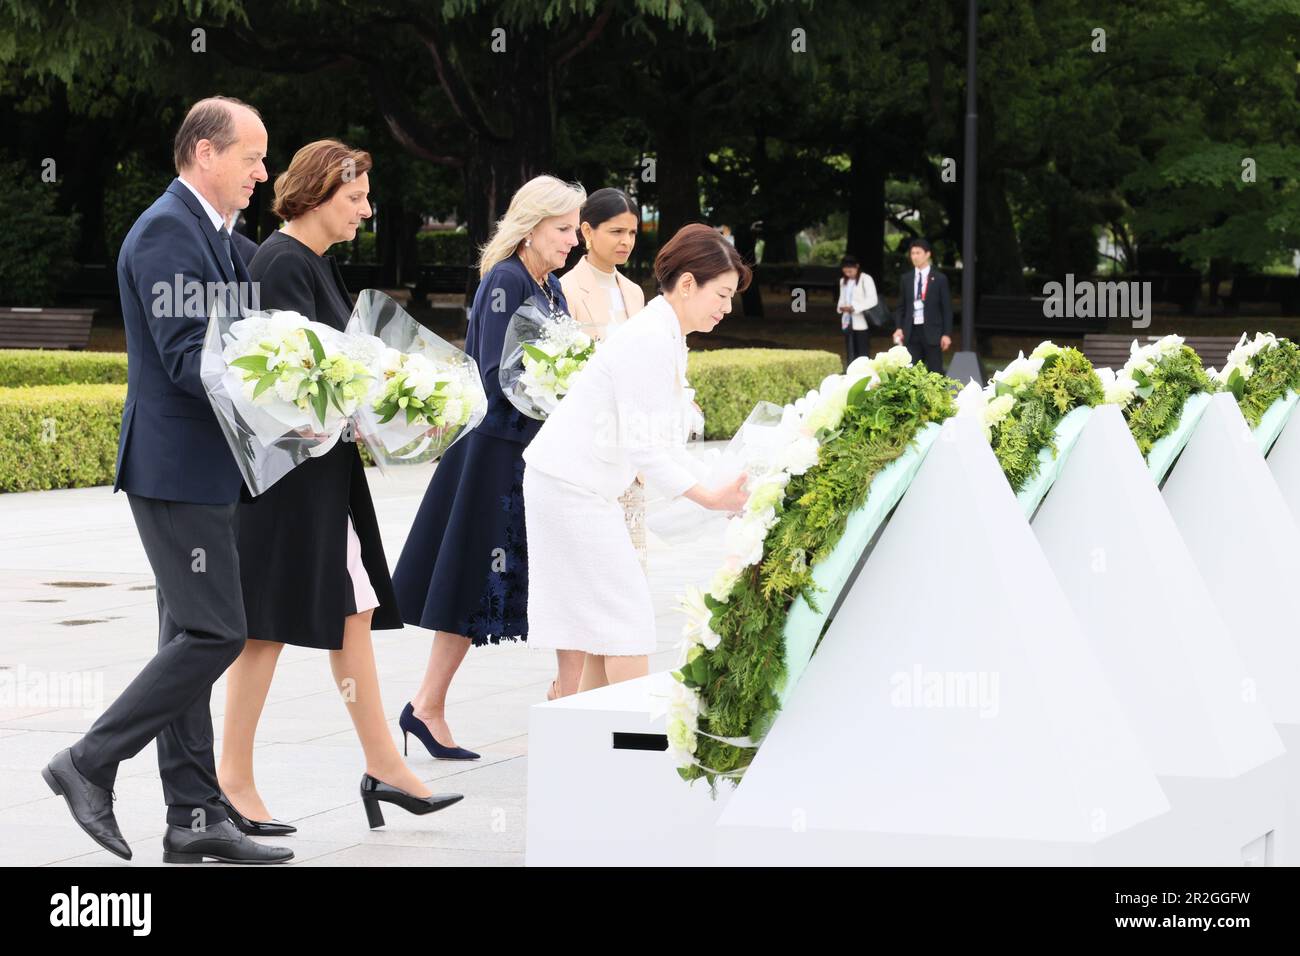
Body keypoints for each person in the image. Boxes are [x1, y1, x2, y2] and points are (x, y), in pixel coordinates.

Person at [41, 96, 293, 864]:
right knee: (217, 632)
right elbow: (190, 359)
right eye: (251, 157)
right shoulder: (164, 234)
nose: (262, 172)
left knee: (188, 634)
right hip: (176, 468)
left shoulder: (216, 236)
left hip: (204, 468)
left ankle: (191, 816)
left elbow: (239, 341)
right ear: (204, 154)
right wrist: (284, 390)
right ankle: (87, 760)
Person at [220, 139, 462, 834]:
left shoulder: (313, 264)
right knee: (264, 628)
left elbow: (339, 370)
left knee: (351, 608)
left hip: (321, 475)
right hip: (287, 482)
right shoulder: (280, 262)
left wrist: (396, 399)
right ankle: (232, 778)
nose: (365, 209)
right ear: (319, 194)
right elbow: (279, 380)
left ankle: (384, 764)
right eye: (354, 197)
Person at [392, 175, 586, 749]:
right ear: (531, 227)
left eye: (575, 229)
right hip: (498, 454)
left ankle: (567, 703)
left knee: (560, 576)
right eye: (564, 229)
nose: (573, 240)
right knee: (474, 580)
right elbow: (499, 378)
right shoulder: (505, 280)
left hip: (533, 453)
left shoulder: (549, 286)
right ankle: (426, 705)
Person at [523, 223, 752, 692]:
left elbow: (662, 446)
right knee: (626, 619)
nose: (728, 308)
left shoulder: (666, 334)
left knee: (601, 623)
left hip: (576, 485)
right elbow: (645, 446)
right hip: (569, 486)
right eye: (723, 295)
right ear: (687, 284)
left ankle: (581, 734)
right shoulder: (650, 336)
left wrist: (718, 489)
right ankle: (626, 739)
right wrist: (711, 498)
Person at [892, 238, 952, 374]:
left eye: (918, 253)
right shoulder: (906, 279)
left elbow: (946, 309)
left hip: (933, 332)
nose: (914, 256)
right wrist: (899, 327)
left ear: (927, 254)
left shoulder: (939, 279)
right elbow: (901, 306)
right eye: (912, 253)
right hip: (911, 331)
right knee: (911, 371)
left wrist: (946, 334)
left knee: (935, 372)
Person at [837, 254, 876, 366]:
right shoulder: (843, 281)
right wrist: (842, 308)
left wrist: (855, 307)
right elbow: (842, 298)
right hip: (847, 320)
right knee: (850, 350)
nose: (848, 273)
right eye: (845, 271)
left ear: (857, 267)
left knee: (862, 353)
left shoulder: (865, 279)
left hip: (861, 320)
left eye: (850, 270)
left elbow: (873, 299)